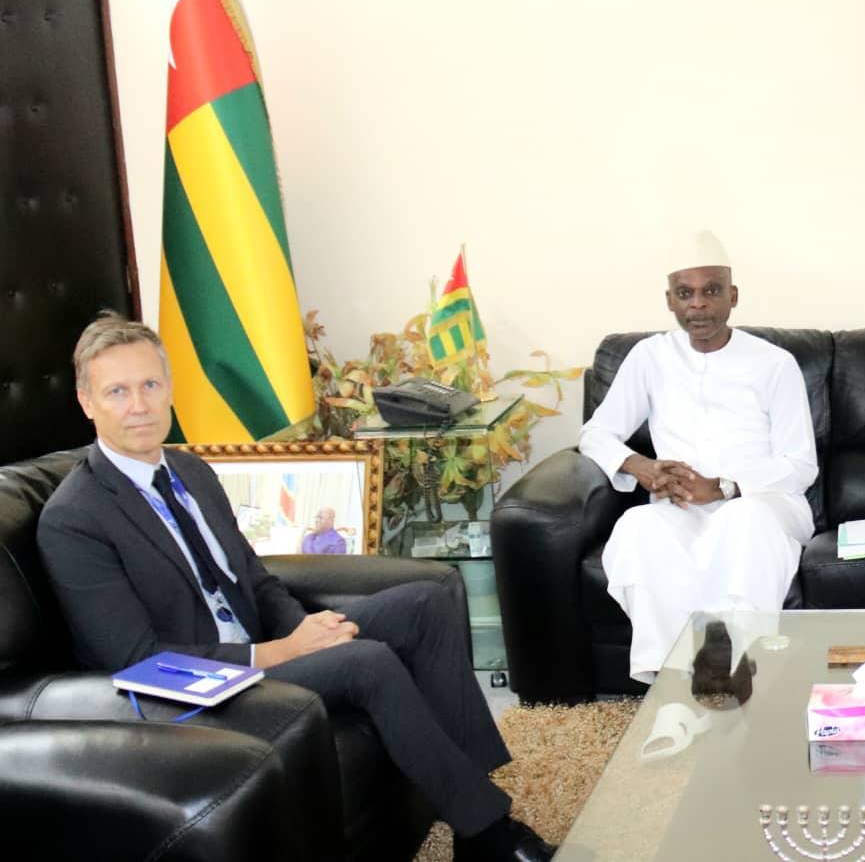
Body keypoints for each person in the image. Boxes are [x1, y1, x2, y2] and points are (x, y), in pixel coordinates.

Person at [37, 313, 554, 862]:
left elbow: (254, 578)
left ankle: (471, 810)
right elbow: (137, 659)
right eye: (117, 391)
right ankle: (489, 833)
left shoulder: (192, 472)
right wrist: (282, 651)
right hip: (194, 690)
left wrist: (306, 629)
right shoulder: (74, 518)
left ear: (168, 388)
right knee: (366, 661)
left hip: (262, 647)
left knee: (425, 600)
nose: (139, 405)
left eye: (149, 385)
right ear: (86, 401)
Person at [579, 232, 817, 683]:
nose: (699, 304)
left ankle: (736, 673)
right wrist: (641, 467)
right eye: (685, 294)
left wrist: (724, 487)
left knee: (741, 521)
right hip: (681, 508)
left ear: (733, 296)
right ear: (670, 301)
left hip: (764, 504)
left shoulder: (774, 363)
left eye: (711, 291)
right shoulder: (650, 357)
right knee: (636, 527)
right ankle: (674, 681)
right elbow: (596, 433)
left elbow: (800, 464)